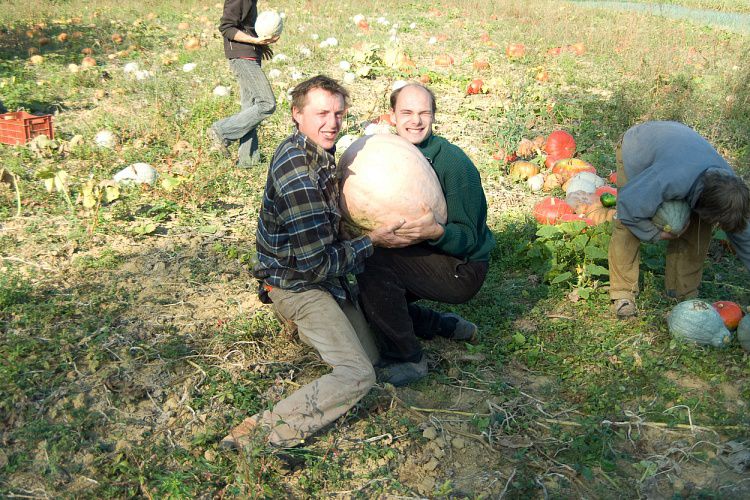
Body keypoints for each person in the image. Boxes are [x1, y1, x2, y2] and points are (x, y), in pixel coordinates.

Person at [220, 75, 413, 449]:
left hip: (321, 277)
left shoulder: (314, 152)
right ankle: (260, 434)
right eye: (322, 113)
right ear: (297, 114)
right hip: (297, 284)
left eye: (339, 113)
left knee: (371, 356)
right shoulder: (299, 176)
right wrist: (372, 240)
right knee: (358, 375)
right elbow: (316, 266)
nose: (332, 122)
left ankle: (315, 329)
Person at [356, 83, 496, 386]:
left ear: (434, 117)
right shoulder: (389, 154)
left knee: (373, 265)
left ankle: (408, 359)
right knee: (366, 293)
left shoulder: (455, 164)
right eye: (406, 112)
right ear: (392, 116)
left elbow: (469, 240)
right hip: (420, 252)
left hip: (463, 267)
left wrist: (436, 231)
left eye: (424, 113)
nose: (415, 121)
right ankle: (442, 325)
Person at [609, 120, 750, 319]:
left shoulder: (730, 189)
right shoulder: (669, 178)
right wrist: (656, 234)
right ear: (702, 199)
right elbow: (628, 206)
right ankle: (623, 294)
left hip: (680, 152)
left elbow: (745, 237)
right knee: (627, 226)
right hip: (639, 147)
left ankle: (682, 294)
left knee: (699, 229)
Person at [207, 0, 278, 168]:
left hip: (250, 55)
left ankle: (248, 160)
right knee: (266, 103)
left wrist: (260, 44)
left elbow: (245, 26)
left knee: (250, 107)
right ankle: (222, 131)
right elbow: (227, 28)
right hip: (242, 58)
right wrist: (255, 42)